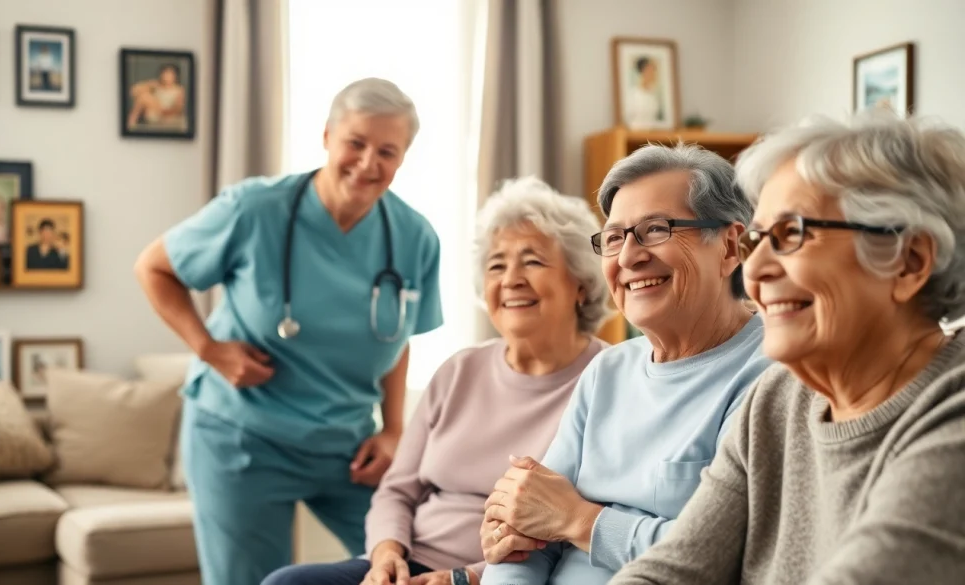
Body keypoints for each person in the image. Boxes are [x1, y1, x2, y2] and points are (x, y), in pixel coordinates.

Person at [608, 113, 965, 585]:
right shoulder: (777, 399)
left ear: (908, 262)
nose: (755, 270)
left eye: (791, 234)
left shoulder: (951, 417)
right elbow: (669, 571)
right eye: (758, 239)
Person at [133, 77, 444, 585]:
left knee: (416, 564)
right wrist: (209, 349)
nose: (368, 163)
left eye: (387, 151)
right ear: (326, 137)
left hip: (347, 447)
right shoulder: (254, 209)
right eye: (356, 143)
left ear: (403, 158)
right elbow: (154, 268)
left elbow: (398, 336)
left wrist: (392, 432)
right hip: (243, 437)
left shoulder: (415, 237)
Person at [260, 176, 614, 585]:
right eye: (497, 265)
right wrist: (386, 554)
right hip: (408, 562)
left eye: (532, 260)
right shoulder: (459, 370)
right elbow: (397, 491)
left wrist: (465, 578)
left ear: (582, 286)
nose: (511, 278)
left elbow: (582, 529)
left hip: (503, 576)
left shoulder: (608, 378)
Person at [478, 144, 774, 585]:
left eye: (656, 229)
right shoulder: (606, 372)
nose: (629, 256)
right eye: (615, 237)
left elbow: (729, 558)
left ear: (731, 246)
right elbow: (527, 529)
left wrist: (580, 521)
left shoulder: (771, 372)